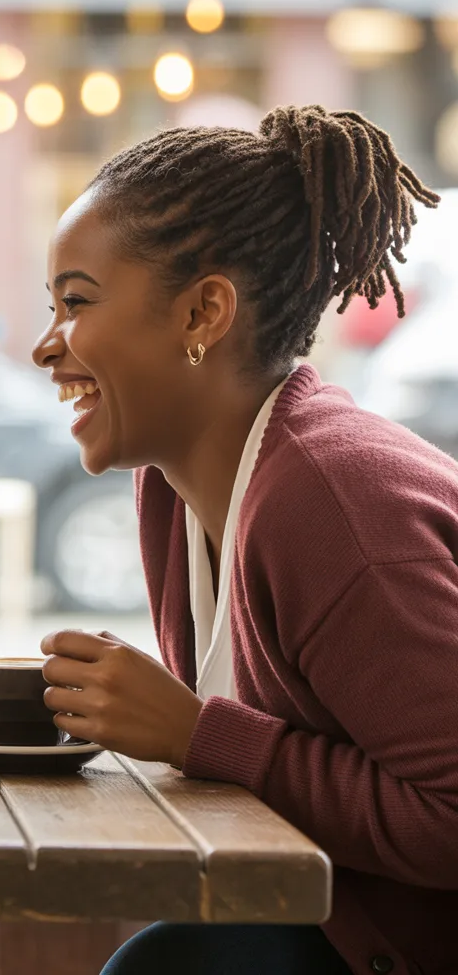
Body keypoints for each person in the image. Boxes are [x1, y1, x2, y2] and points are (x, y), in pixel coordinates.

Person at [33, 106, 458, 975]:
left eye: (75, 302)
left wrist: (199, 735)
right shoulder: (176, 489)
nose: (47, 346)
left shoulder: (332, 504)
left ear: (203, 313)